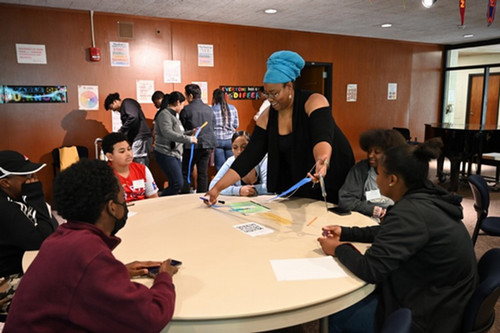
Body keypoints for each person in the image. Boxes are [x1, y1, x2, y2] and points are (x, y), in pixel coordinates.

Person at [317, 139, 477, 333]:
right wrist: (346, 232)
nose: (376, 179)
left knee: (339, 317)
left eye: (380, 174)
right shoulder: (427, 198)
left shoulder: (411, 213)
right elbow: (390, 232)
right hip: (446, 297)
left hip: (430, 315)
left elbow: (371, 270)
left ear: (392, 179)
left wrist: (337, 248)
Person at [3, 159, 178, 332]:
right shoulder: (88, 252)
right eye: (121, 197)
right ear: (112, 207)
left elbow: (74, 282)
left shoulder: (62, 237)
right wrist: (164, 278)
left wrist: (117, 273)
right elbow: (149, 317)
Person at [206, 50, 354, 205]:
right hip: (301, 181)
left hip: (331, 175)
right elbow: (249, 157)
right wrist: (217, 188)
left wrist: (322, 161)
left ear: (289, 86)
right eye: (267, 94)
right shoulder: (267, 117)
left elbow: (322, 136)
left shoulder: (314, 102)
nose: (270, 99)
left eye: (274, 94)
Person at [0, 151, 59, 322]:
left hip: (20, 266)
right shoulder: (4, 208)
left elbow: (52, 227)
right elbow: (44, 240)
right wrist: (36, 198)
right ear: (5, 182)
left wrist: (36, 201)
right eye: (26, 176)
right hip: (6, 280)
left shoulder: (14, 199)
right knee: (65, 286)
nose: (33, 180)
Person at [338, 129, 407, 219]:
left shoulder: (402, 172)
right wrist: (372, 209)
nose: (370, 155)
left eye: (377, 152)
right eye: (369, 151)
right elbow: (345, 201)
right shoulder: (361, 169)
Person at [154, 91, 198, 196]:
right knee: (177, 183)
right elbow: (168, 133)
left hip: (174, 154)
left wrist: (191, 132)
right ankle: (161, 201)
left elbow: (178, 132)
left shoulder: (174, 116)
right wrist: (189, 139)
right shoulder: (165, 114)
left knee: (176, 182)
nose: (183, 107)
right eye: (182, 104)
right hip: (165, 153)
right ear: (178, 102)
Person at [179, 84, 217, 194]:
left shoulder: (186, 110)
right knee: (203, 172)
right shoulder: (209, 109)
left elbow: (182, 128)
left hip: (191, 145)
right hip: (207, 144)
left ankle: (185, 194)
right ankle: (201, 195)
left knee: (186, 172)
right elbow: (213, 125)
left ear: (190, 96)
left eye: (186, 96)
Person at [102, 132, 159, 202]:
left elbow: (153, 197)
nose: (128, 154)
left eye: (129, 149)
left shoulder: (142, 169)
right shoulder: (103, 174)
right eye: (122, 151)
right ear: (110, 156)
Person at [209, 131, 268, 196]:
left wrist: (254, 190)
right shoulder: (231, 161)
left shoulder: (263, 159)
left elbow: (271, 187)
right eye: (235, 147)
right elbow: (213, 186)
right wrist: (239, 190)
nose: (239, 151)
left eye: (244, 147)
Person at [104, 92, 153, 166]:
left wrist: (121, 130)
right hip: (139, 138)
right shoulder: (126, 107)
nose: (113, 111)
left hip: (141, 137)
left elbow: (133, 117)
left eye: (112, 108)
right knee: (137, 161)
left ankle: (141, 177)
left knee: (139, 162)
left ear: (115, 101)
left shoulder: (127, 103)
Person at [211, 88, 239, 171]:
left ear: (214, 98)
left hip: (217, 140)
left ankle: (222, 183)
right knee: (231, 165)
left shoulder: (212, 109)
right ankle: (233, 183)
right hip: (230, 139)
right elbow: (236, 124)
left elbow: (210, 127)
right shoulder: (233, 108)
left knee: (220, 166)